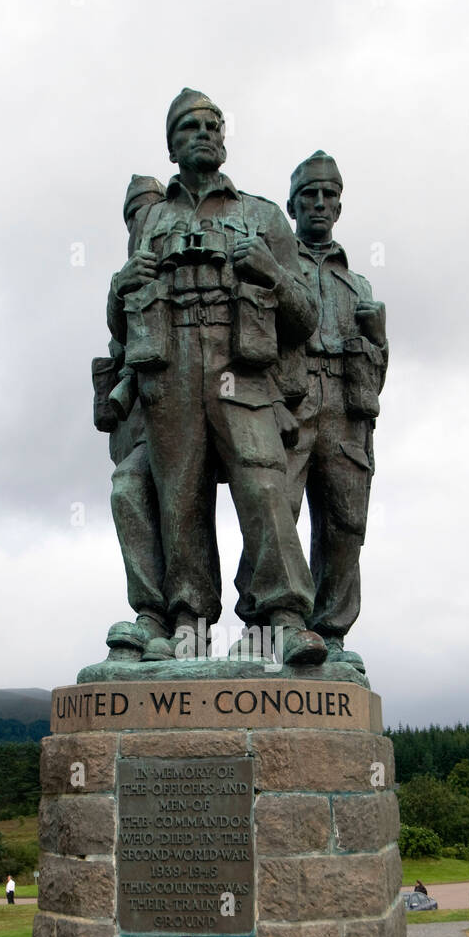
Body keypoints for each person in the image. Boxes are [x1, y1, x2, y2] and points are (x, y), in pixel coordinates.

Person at [107, 89, 325, 665]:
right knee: (179, 495)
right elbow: (123, 318)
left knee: (263, 484)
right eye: (189, 127)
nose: (204, 133)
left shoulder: (262, 216)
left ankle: (284, 615)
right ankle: (188, 621)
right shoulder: (151, 218)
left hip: (238, 369)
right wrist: (118, 286)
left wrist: (273, 274)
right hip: (170, 367)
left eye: (213, 125)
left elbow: (306, 317)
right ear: (171, 145)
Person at [237, 152, 387, 672]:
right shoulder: (277, 262)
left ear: (340, 205)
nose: (319, 204)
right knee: (276, 509)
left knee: (345, 525)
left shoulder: (358, 285)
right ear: (292, 205)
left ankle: (330, 632)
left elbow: (380, 373)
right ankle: (263, 626)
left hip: (347, 407)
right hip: (292, 400)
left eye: (329, 195)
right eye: (309, 195)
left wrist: (380, 337)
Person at [93, 175, 172, 660]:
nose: (139, 221)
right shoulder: (128, 279)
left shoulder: (181, 261)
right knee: (129, 490)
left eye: (147, 210)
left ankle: (265, 623)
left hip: (203, 412)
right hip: (142, 424)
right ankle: (152, 614)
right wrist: (118, 292)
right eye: (132, 215)